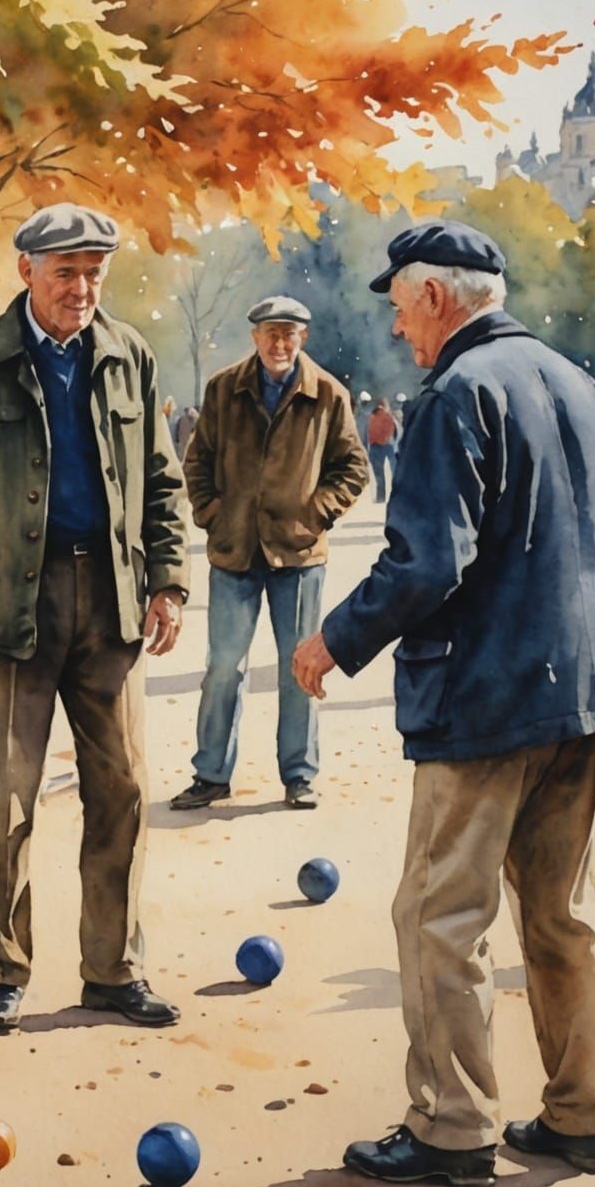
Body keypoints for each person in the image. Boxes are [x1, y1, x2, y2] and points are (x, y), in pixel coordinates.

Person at [292, 219, 595, 1187]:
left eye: (404, 308)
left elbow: (428, 563)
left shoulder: (456, 394)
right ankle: (585, 1115)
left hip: (487, 697)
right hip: (584, 691)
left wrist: (337, 638)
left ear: (440, 298)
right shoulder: (579, 383)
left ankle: (454, 1127)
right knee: (564, 912)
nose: (401, 331)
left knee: (439, 915)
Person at [0, 202, 190, 1033]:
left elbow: (162, 484)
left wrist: (166, 583)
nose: (82, 288)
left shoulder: (130, 355)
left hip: (110, 607)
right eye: (65, 271)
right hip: (11, 612)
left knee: (124, 790)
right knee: (3, 799)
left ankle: (113, 970)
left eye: (95, 272)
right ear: (25, 272)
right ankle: (0, 969)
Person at [172, 295, 366, 813]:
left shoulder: (328, 393)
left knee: (299, 667)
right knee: (222, 668)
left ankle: (300, 775)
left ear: (303, 338)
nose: (279, 343)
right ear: (254, 337)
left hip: (298, 556)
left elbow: (353, 469)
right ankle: (211, 774)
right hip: (234, 552)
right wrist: (213, 514)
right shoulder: (223, 389)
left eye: (289, 334)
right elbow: (198, 463)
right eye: (270, 333)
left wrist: (316, 512)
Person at [366, 397, 400, 502]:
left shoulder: (372, 416)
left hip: (375, 445)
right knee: (394, 472)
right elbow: (394, 431)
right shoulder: (388, 415)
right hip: (388, 445)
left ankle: (381, 498)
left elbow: (367, 432)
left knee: (379, 474)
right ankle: (397, 496)